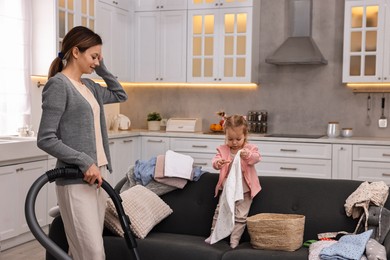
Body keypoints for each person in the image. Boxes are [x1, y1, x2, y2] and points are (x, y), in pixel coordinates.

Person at [37, 26, 128, 260]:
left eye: (99, 57)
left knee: (84, 250)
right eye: (93, 56)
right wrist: (84, 161)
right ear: (76, 52)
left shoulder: (89, 87)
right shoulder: (59, 85)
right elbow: (46, 138)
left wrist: (102, 66)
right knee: (93, 253)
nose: (96, 62)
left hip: (98, 178)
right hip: (76, 179)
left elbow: (120, 95)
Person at [205, 115, 261, 248]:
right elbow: (215, 162)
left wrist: (247, 155)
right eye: (230, 139)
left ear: (245, 135)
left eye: (238, 139)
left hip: (245, 189)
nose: (234, 142)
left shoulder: (250, 149)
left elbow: (256, 158)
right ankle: (214, 235)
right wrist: (218, 163)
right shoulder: (223, 149)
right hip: (227, 189)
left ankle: (234, 240)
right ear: (225, 135)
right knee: (220, 212)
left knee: (240, 216)